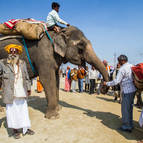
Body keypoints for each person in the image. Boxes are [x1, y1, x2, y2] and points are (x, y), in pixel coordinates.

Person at [0, 44, 34, 139]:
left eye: (15, 51)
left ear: (18, 52)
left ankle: (25, 128)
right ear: (9, 52)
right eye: (11, 51)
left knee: (23, 110)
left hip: (21, 91)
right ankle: (15, 130)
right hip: (9, 92)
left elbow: (26, 77)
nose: (13, 53)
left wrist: (28, 88)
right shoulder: (3, 63)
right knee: (12, 111)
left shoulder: (22, 63)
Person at [103, 55, 136, 132]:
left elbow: (116, 81)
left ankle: (126, 126)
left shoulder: (122, 69)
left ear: (122, 61)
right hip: (133, 90)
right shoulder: (131, 66)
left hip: (126, 91)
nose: (118, 62)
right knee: (130, 109)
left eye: (119, 61)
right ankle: (130, 124)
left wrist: (106, 83)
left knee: (125, 109)